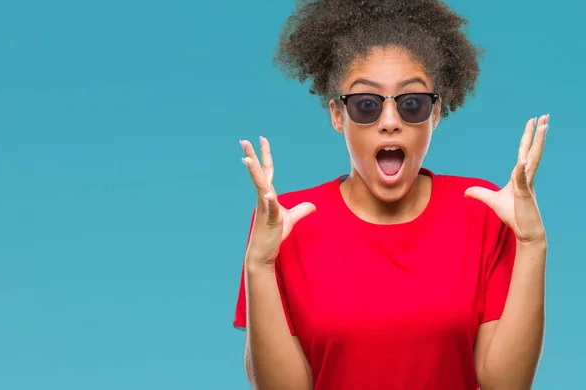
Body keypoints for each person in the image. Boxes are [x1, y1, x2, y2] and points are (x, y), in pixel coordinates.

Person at [232, 1, 548, 389]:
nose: (390, 122)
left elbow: (506, 384)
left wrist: (532, 243)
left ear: (435, 114)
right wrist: (259, 267)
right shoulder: (285, 221)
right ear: (337, 115)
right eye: (366, 105)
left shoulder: (482, 210)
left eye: (411, 103)